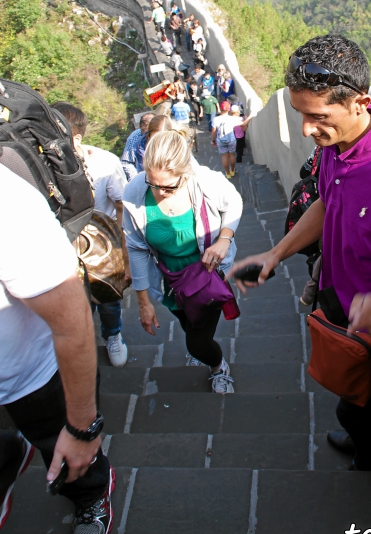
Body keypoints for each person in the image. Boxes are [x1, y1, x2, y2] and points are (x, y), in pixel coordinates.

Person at [231, 34, 371, 473]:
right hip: (339, 309)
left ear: (360, 102)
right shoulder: (337, 147)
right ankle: (359, 430)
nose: (305, 130)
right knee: (353, 397)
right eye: (299, 114)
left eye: (318, 116)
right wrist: (277, 253)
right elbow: (325, 201)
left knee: (364, 404)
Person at [0, 164, 114, 534]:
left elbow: (74, 324)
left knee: (68, 458)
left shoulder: (8, 202)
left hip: (31, 376)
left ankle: (91, 493)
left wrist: (83, 429)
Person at [122, 130, 243, 392]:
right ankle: (200, 350)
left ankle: (217, 366)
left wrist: (224, 239)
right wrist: (143, 303)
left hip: (206, 274)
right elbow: (137, 248)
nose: (160, 192)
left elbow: (233, 202)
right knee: (187, 322)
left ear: (185, 173)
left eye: (168, 186)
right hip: (170, 279)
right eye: (153, 184)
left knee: (196, 341)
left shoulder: (205, 182)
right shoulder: (134, 191)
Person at [52, 103, 130, 368]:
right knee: (75, 304)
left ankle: (113, 335)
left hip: (102, 249)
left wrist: (123, 253)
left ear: (76, 138)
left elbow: (121, 207)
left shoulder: (106, 163)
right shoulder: (45, 166)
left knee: (107, 300)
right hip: (64, 251)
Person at [121, 112, 155, 181]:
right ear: (141, 128)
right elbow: (127, 162)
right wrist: (136, 180)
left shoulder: (163, 135)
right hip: (140, 175)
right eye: (144, 131)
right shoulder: (135, 137)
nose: (147, 136)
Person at [211, 101, 239, 179]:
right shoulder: (232, 119)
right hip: (231, 140)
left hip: (221, 140)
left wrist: (213, 140)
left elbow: (213, 131)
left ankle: (227, 173)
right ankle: (233, 171)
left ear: (220, 108)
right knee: (232, 155)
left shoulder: (216, 119)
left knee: (224, 157)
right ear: (229, 109)